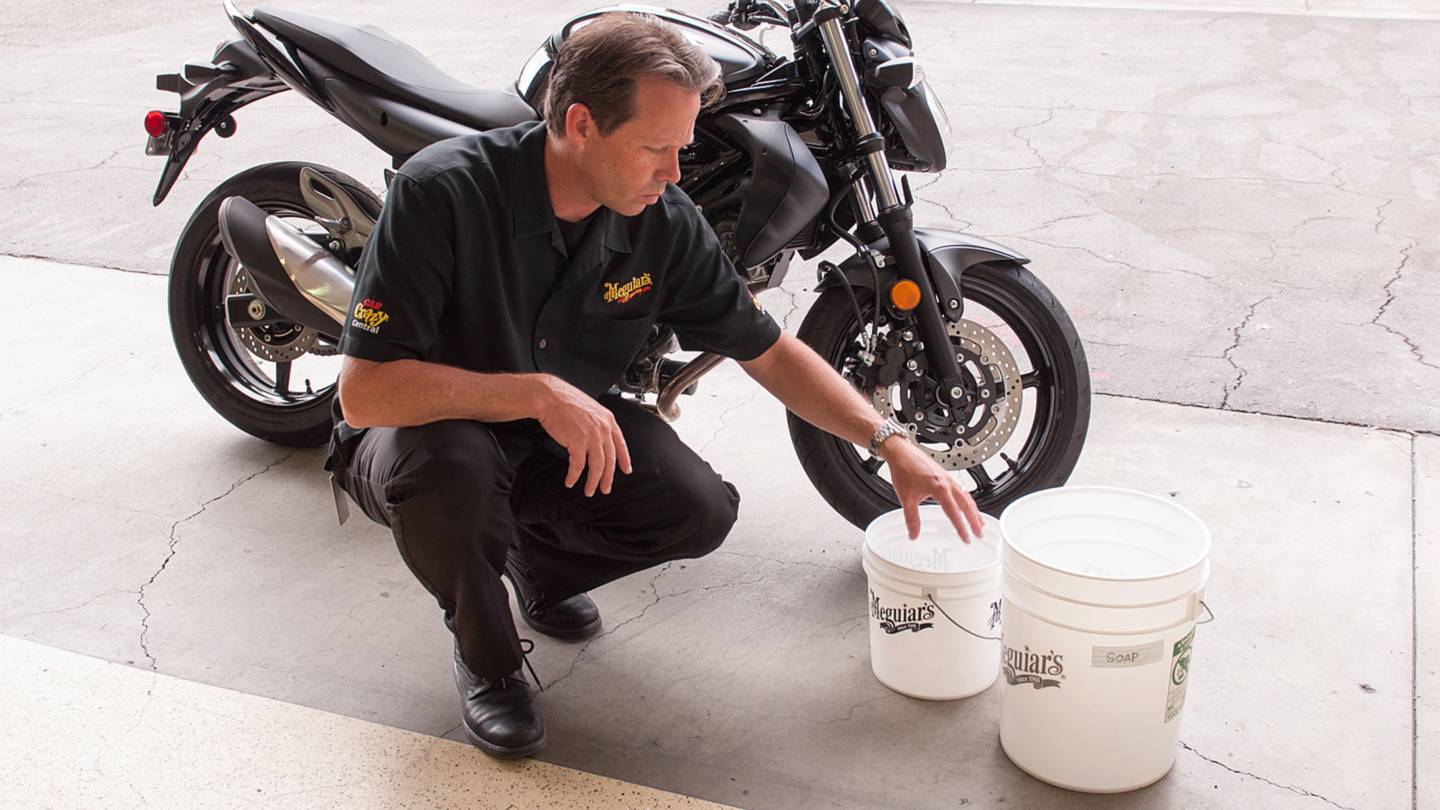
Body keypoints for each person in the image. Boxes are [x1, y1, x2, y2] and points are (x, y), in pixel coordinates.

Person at [326, 12, 983, 759]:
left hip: (554, 436)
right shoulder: (440, 193)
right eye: (654, 148)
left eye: (682, 149)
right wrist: (536, 393)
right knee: (454, 470)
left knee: (697, 509)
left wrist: (889, 441)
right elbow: (367, 393)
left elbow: (765, 350)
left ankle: (531, 565)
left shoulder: (663, 220)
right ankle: (489, 659)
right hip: (421, 439)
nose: (674, 171)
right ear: (580, 124)